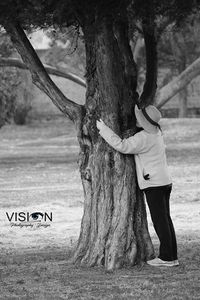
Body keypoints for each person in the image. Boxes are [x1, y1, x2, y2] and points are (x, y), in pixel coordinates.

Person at [96, 104, 179, 267]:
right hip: (164, 181)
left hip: (154, 183)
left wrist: (103, 129)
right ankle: (171, 256)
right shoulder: (156, 132)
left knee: (160, 221)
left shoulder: (144, 138)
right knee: (165, 219)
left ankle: (168, 258)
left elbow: (122, 145)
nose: (136, 120)